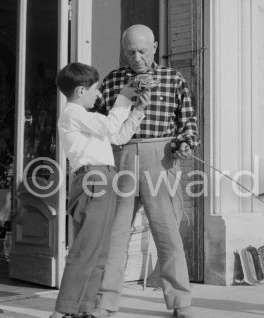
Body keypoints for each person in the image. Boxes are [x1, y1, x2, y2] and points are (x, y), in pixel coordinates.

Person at [92, 24, 198, 318]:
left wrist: (185, 144)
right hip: (121, 159)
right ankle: (105, 302)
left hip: (160, 158)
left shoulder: (173, 78)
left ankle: (181, 303)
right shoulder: (112, 81)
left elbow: (187, 121)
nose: (136, 57)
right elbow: (100, 125)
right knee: (114, 236)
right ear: (123, 50)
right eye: (130, 51)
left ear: (154, 46)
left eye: (142, 50)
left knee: (167, 234)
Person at [51, 62, 149, 318]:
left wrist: (136, 111)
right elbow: (108, 127)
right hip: (93, 178)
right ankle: (62, 311)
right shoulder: (74, 113)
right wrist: (124, 97)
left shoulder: (86, 119)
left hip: (104, 178)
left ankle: (83, 308)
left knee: (100, 250)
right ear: (81, 91)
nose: (99, 94)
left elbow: (116, 136)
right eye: (96, 89)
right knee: (86, 248)